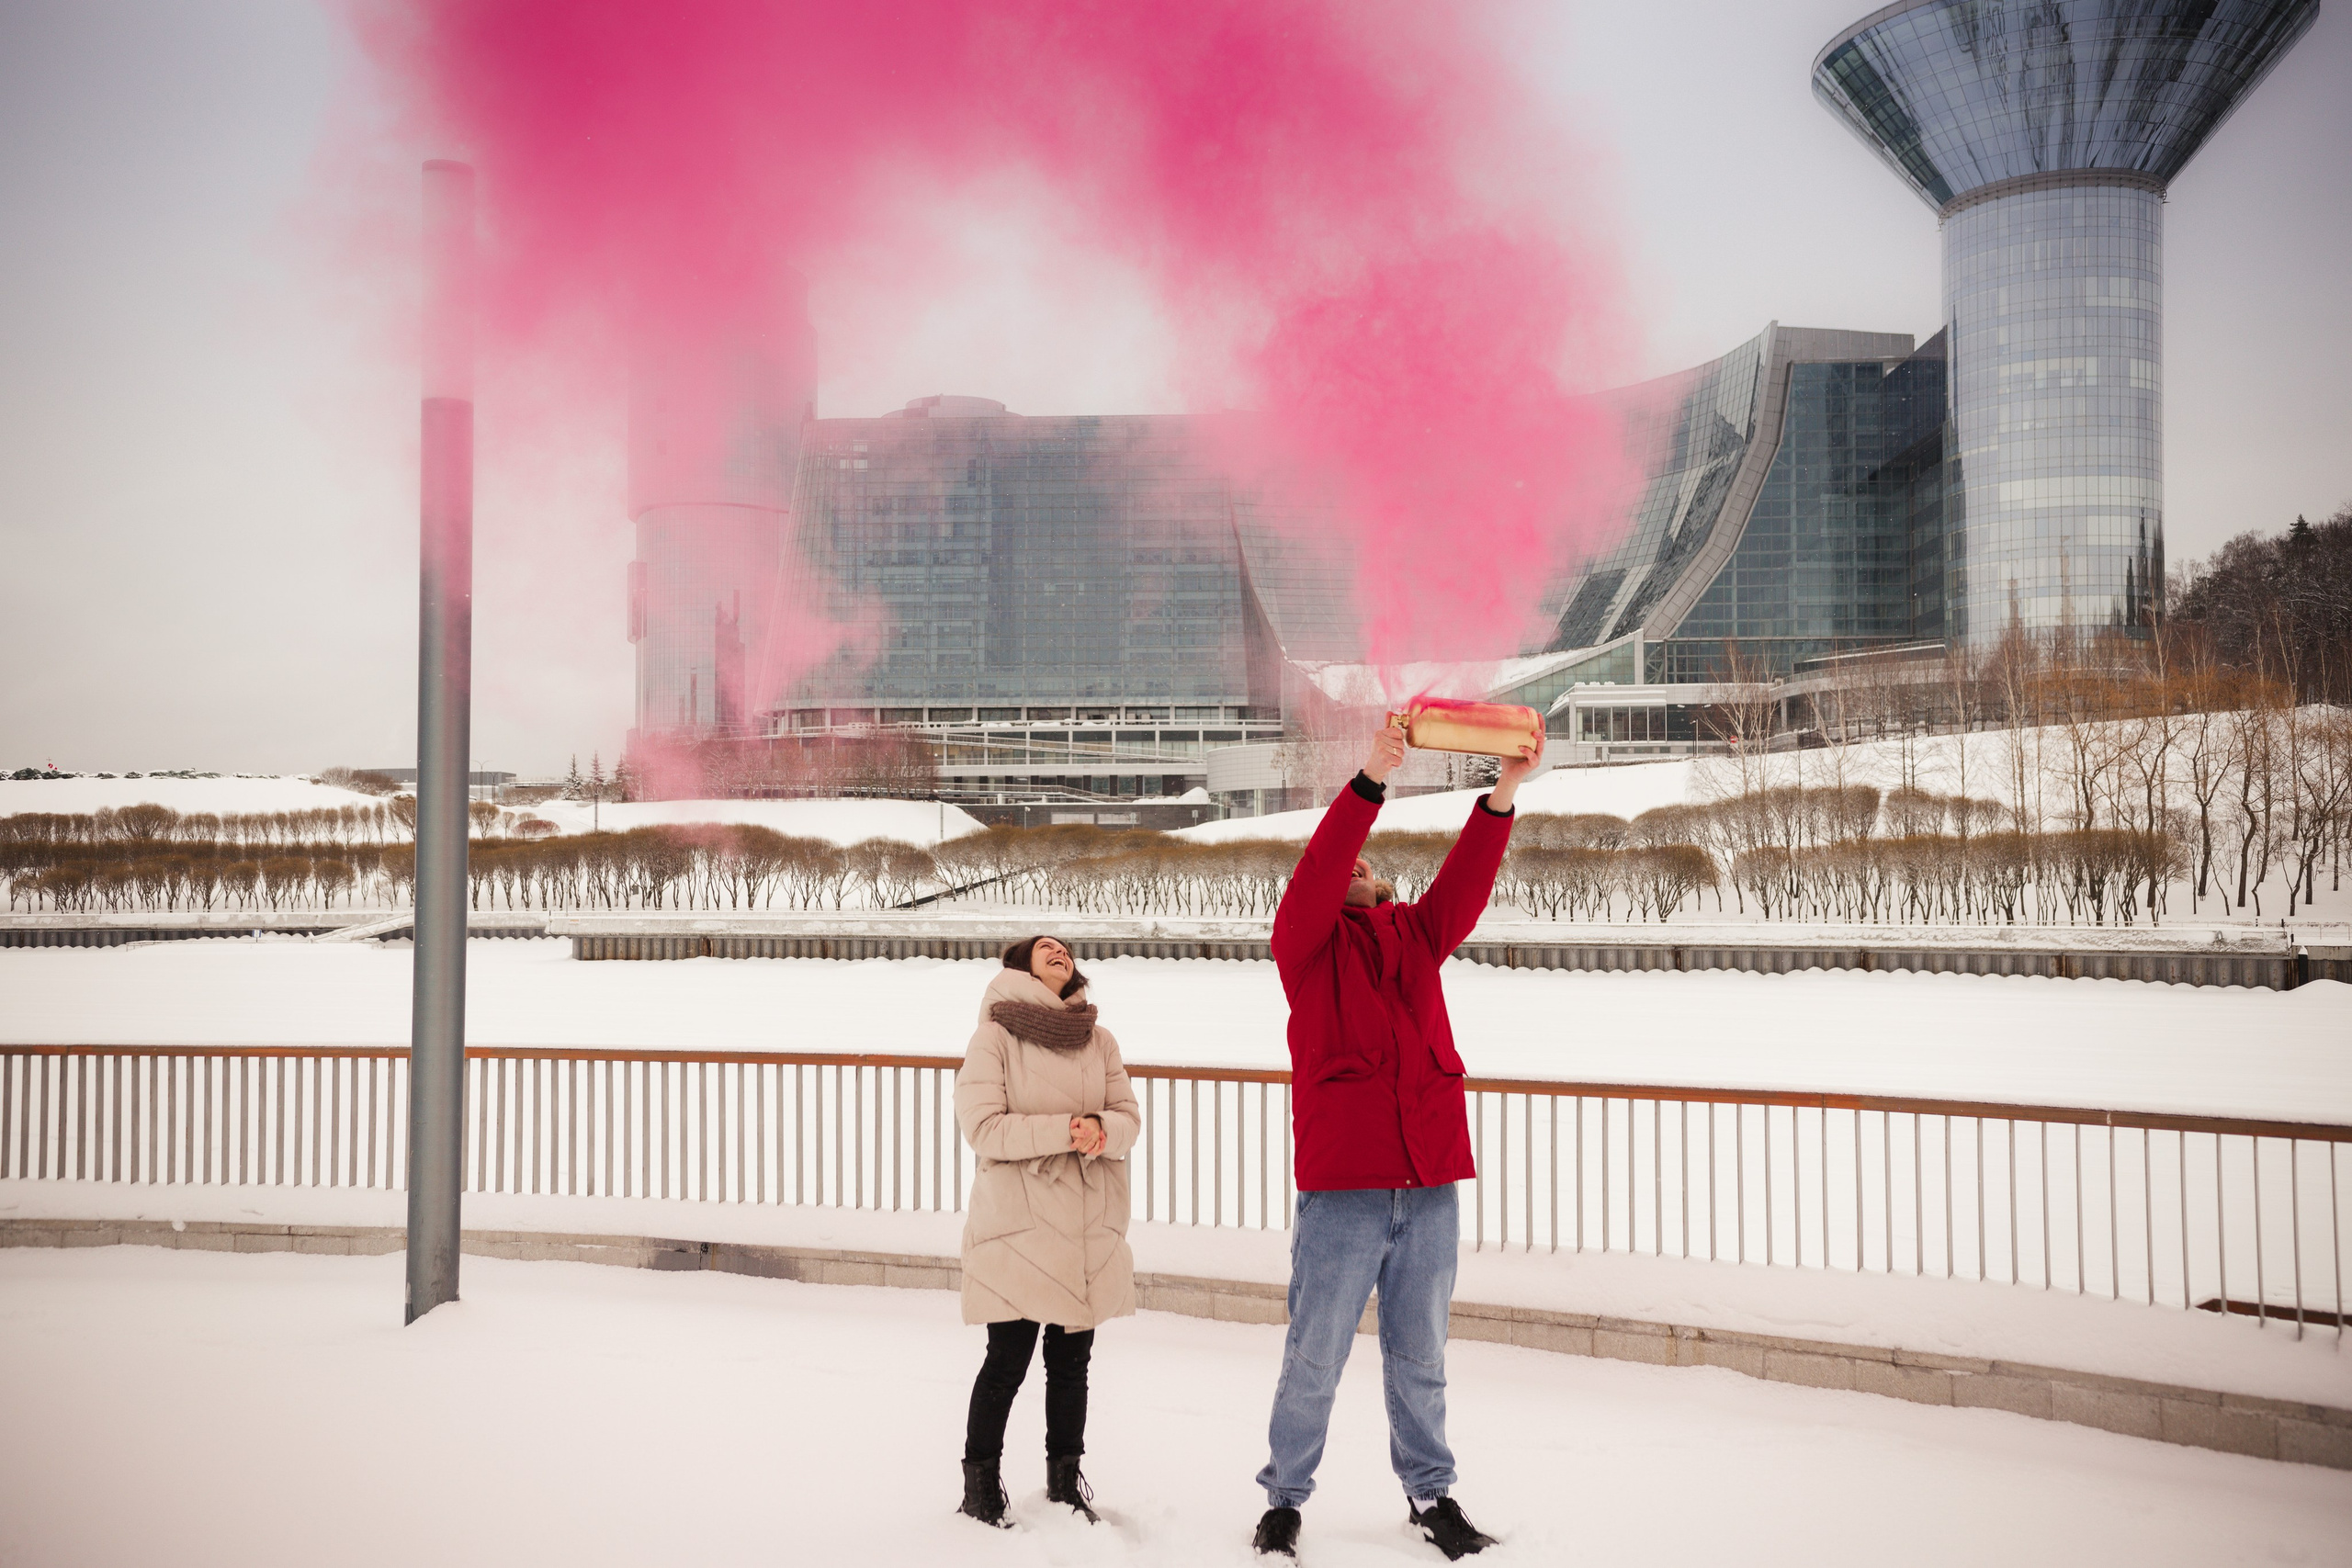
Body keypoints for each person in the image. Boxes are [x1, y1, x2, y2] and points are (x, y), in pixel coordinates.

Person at [1250, 725, 1537, 1561]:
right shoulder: (1304, 948)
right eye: (1345, 865)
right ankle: (1283, 1499)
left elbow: (1468, 882)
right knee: (1315, 1355)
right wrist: (1373, 775)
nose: (1356, 867)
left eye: (1367, 865)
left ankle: (1430, 1491)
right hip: (1345, 1192)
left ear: (1384, 881)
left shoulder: (1416, 935)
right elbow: (1320, 866)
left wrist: (1504, 789)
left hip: (1430, 1183)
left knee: (1422, 1354)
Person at [955, 934, 1140, 1529]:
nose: (1058, 951)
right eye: (1044, 948)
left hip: (1084, 1226)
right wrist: (1067, 1129)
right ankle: (980, 1486)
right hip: (1019, 1226)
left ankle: (1065, 1484)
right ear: (1019, 966)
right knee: (1007, 1358)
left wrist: (1102, 1130)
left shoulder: (1099, 1038)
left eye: (1064, 948)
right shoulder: (995, 1036)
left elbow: (1128, 1117)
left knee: (1071, 1363)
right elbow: (984, 1128)